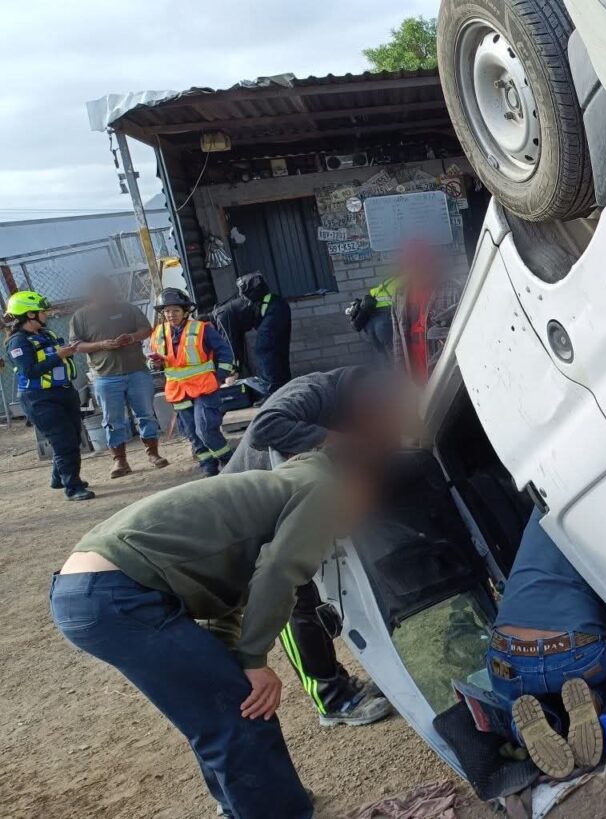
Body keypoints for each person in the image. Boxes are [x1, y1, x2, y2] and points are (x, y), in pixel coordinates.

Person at [50, 436, 390, 819]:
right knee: (239, 710)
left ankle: (246, 805)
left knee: (218, 706)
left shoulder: (284, 483)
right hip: (118, 593)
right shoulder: (322, 489)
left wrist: (237, 660)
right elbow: (279, 573)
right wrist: (254, 659)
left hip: (86, 591)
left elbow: (225, 598)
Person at [222, 367, 393, 727]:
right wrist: (341, 441)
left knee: (318, 596)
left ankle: (342, 681)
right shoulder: (312, 391)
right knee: (295, 601)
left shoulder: (358, 406)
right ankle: (330, 698)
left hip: (286, 510)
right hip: (250, 523)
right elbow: (266, 427)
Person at [485, 510, 606, 778]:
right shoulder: (598, 511)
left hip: (508, 657)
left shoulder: (538, 510)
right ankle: (593, 697)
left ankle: (526, 725)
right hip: (574, 654)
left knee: (510, 698)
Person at [69, 274, 168, 477]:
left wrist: (131, 337)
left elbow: (146, 329)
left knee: (146, 414)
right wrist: (101, 345)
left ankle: (153, 453)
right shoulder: (81, 316)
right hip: (105, 376)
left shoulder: (128, 309)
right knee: (113, 419)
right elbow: (76, 345)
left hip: (137, 371)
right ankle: (120, 461)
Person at [4, 290, 94, 501]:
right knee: (64, 441)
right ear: (30, 314)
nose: (46, 313)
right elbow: (30, 371)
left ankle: (59, 477)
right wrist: (59, 355)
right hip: (39, 398)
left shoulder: (45, 334)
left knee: (73, 436)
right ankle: (73, 487)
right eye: (41, 311)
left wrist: (65, 352)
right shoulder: (18, 342)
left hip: (63, 391)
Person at [149, 288, 236, 477]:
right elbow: (160, 360)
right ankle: (209, 468)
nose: (171, 314)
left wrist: (220, 375)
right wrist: (155, 363)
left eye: (175, 310)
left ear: (185, 311)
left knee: (205, 429)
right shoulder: (158, 333)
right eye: (167, 311)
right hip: (178, 390)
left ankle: (229, 461)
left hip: (204, 387)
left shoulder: (201, 329)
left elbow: (225, 352)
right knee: (192, 433)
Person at [390, 240, 464, 384]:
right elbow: (398, 342)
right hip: (415, 382)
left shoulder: (453, 289)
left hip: (445, 381)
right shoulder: (400, 295)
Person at [237, 271, 292, 397]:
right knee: (277, 351)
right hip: (277, 309)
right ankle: (281, 389)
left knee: (264, 349)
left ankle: (272, 390)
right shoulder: (263, 299)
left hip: (275, 311)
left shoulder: (262, 298)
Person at [364, 276, 396, 359]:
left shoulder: (374, 291)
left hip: (372, 330)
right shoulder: (397, 285)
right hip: (383, 327)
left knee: (383, 354)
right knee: (393, 352)